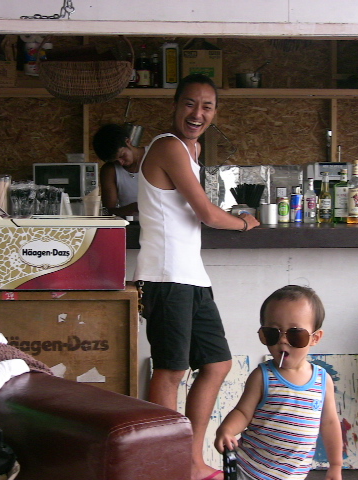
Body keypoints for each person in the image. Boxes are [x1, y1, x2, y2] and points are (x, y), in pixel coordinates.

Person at [134, 73, 260, 480]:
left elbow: (191, 208)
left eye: (207, 106)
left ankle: (188, 460)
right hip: (166, 275)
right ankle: (166, 466)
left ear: (215, 113)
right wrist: (244, 223)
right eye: (189, 103)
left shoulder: (192, 149)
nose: (197, 113)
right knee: (170, 371)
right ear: (175, 106)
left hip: (191, 276)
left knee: (217, 363)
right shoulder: (168, 146)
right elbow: (205, 213)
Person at [215, 285, 343, 480]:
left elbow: (330, 423)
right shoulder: (263, 376)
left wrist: (335, 465)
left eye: (295, 335)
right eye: (273, 333)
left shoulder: (322, 381)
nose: (283, 341)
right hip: (249, 470)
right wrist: (227, 430)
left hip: (293, 476)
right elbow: (243, 412)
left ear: (315, 338)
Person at [92, 123, 146, 217]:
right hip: (129, 223)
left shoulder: (154, 156)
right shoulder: (110, 170)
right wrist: (132, 208)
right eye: (115, 161)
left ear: (128, 142)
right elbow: (108, 211)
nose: (121, 163)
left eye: (122, 156)